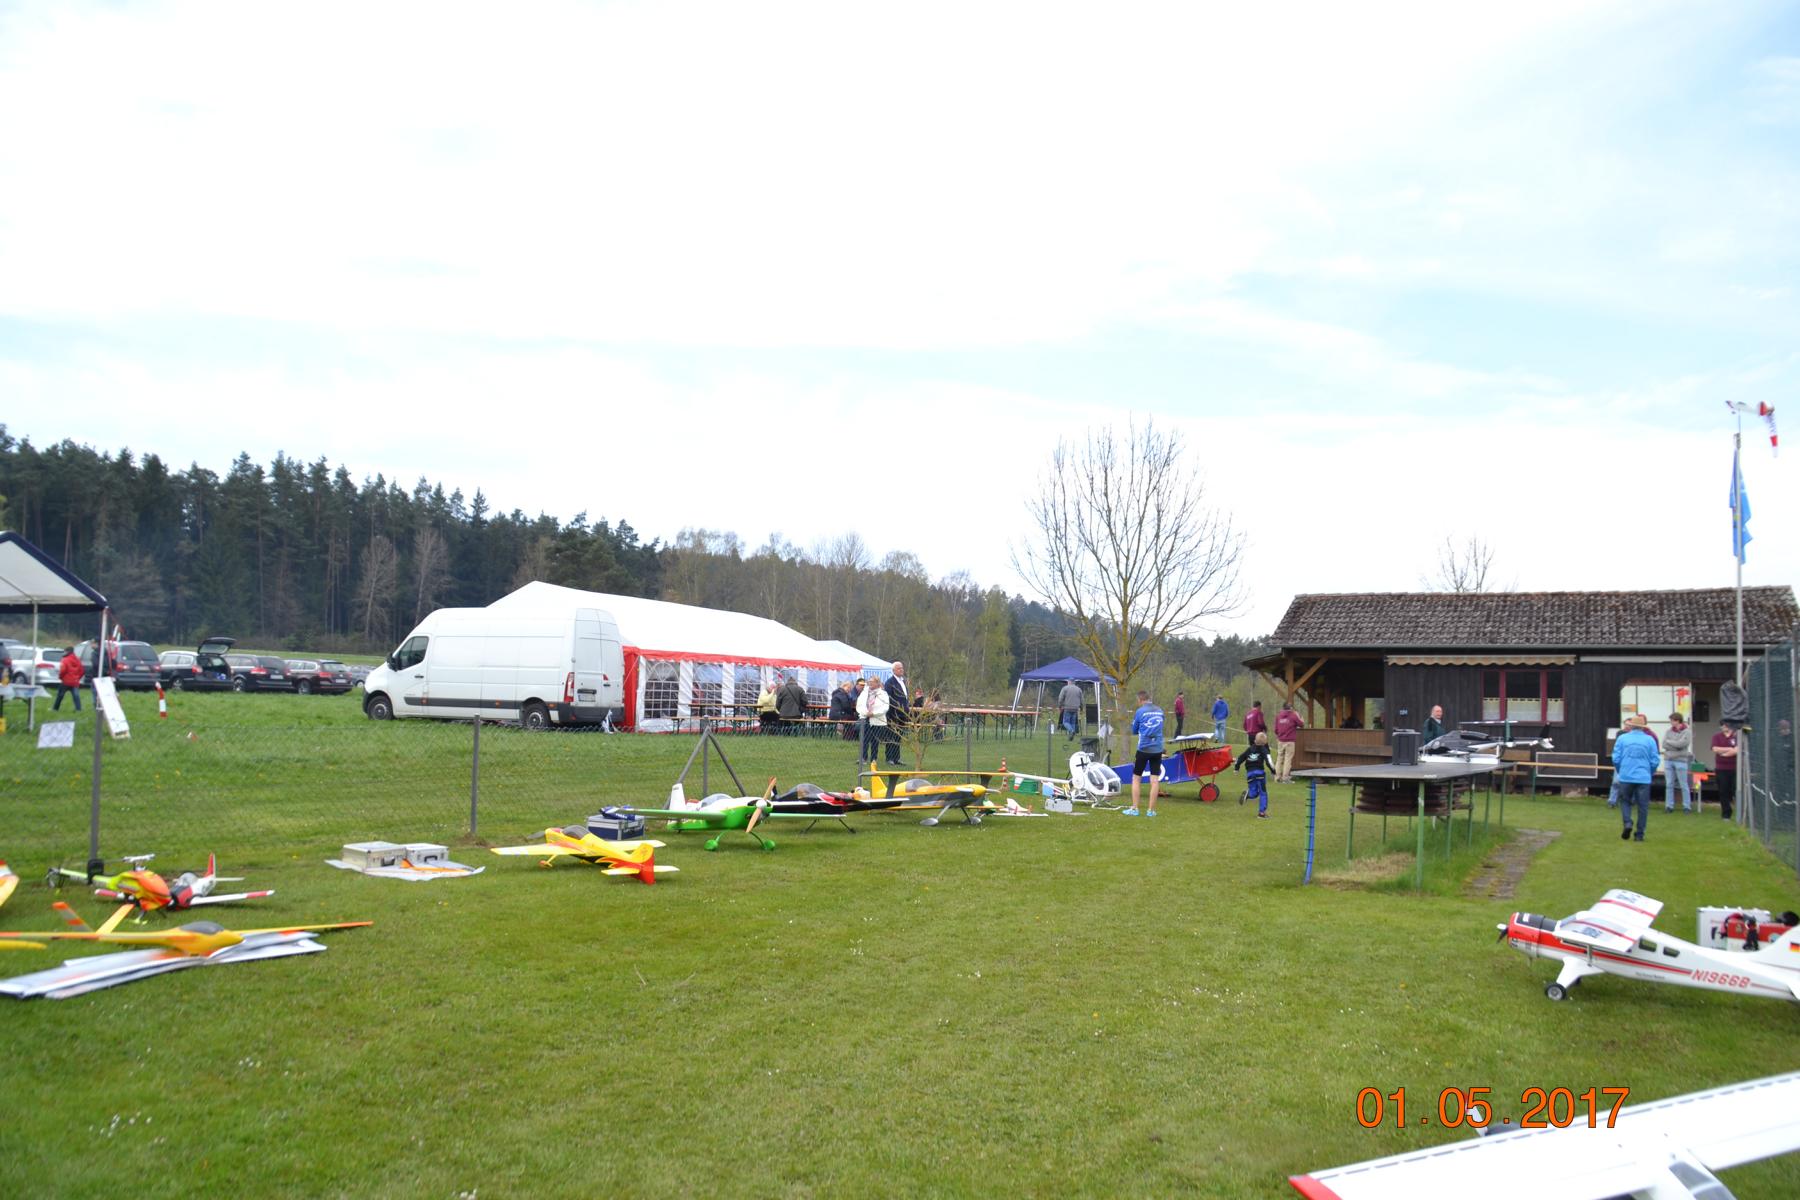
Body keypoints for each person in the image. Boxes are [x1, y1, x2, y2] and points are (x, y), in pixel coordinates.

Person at [1612, 713, 1660, 842]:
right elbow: (1655, 760)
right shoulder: (1650, 740)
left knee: (1625, 801)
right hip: (1643, 777)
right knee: (1643, 806)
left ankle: (1627, 822)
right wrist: (1650, 772)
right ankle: (1639, 834)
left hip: (1626, 775)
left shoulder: (1622, 739)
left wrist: (1620, 770)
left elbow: (1616, 758)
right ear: (1643, 727)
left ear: (1631, 726)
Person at [1122, 689, 1165, 817]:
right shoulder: (1160, 710)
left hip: (1144, 748)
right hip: (1157, 749)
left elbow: (1134, 730)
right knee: (1155, 780)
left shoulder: (1140, 711)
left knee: (1136, 778)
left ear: (1140, 700)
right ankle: (1151, 811)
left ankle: (1135, 808)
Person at [1235, 732, 1276, 818]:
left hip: (1250, 774)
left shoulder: (1249, 749)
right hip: (1260, 774)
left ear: (1254, 740)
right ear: (1265, 742)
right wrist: (1273, 771)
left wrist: (1236, 768)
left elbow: (1240, 757)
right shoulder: (1264, 750)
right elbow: (1269, 761)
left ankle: (1248, 795)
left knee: (1254, 793)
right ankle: (1261, 813)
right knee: (1263, 793)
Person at [1662, 711, 1694, 813]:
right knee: (1669, 784)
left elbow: (1683, 744)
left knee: (1683, 784)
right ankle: (1669, 806)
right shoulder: (1668, 731)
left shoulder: (1687, 732)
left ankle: (1687, 806)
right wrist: (1676, 744)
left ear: (1677, 720)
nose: (1671, 722)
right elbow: (1664, 744)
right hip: (1668, 760)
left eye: (1672, 720)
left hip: (1681, 760)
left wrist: (1670, 742)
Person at [856, 673, 890, 766]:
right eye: (869, 681)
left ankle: (873, 759)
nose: (870, 683)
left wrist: (874, 713)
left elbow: (885, 707)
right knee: (864, 739)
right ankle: (863, 758)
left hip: (877, 720)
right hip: (865, 718)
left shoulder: (883, 694)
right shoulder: (864, 693)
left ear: (878, 683)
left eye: (872, 682)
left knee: (875, 741)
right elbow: (859, 705)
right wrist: (865, 713)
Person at [883, 663, 910, 766]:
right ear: (893, 670)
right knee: (891, 736)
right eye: (899, 668)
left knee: (898, 737)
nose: (901, 670)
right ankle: (889, 758)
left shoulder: (903, 681)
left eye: (902, 668)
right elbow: (889, 698)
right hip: (893, 714)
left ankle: (896, 758)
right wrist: (898, 707)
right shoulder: (890, 682)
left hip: (903, 714)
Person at [1711, 726, 1739, 820]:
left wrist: (1723, 754)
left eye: (1725, 725)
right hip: (1721, 769)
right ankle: (1726, 814)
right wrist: (1730, 749)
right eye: (1722, 725)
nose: (1723, 727)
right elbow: (1715, 749)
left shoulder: (1736, 737)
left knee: (1735, 790)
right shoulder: (1716, 736)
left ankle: (1740, 813)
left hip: (1734, 768)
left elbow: (1737, 750)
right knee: (1723, 791)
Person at [1273, 701, 1303, 783]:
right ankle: (1285, 778)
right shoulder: (1293, 715)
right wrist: (1299, 717)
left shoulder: (1278, 716)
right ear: (1291, 708)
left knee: (1279, 758)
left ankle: (1277, 777)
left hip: (1280, 740)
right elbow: (1301, 724)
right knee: (1287, 759)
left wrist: (1280, 735)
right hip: (1290, 741)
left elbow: (1275, 730)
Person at [53, 647, 84, 711]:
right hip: (75, 681)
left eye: (64, 651)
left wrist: (61, 677)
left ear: (67, 651)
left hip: (66, 681)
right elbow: (82, 671)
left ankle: (55, 709)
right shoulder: (77, 660)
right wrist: (77, 678)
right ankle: (79, 709)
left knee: (60, 695)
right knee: (76, 696)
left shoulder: (65, 659)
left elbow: (63, 670)